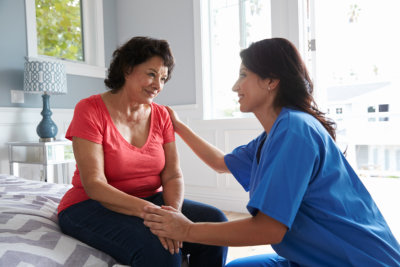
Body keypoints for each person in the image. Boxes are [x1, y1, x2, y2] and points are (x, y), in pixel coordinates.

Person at [142, 37, 400, 266]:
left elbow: (268, 229)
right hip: (307, 257)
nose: (235, 86)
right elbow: (220, 162)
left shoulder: (295, 130)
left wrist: (187, 231)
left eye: (243, 75)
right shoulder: (274, 134)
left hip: (356, 260)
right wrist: (178, 125)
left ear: (271, 81)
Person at [57, 36, 228, 267]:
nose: (158, 85)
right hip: (90, 205)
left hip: (150, 200)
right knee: (161, 248)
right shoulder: (89, 110)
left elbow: (172, 174)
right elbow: (94, 184)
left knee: (216, 224)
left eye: (164, 78)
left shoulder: (161, 115)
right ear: (127, 69)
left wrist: (172, 214)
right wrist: (156, 216)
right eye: (151, 74)